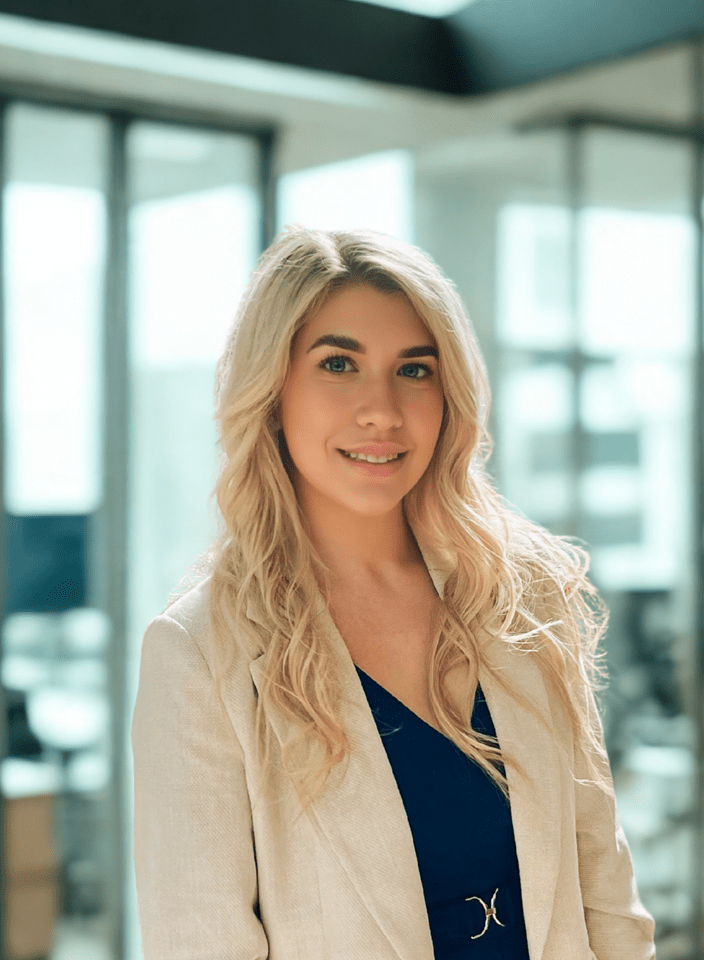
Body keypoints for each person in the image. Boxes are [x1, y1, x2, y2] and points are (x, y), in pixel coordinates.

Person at [131, 226, 656, 960]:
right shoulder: (199, 654)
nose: (381, 409)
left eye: (415, 370)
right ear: (273, 390)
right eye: (339, 364)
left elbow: (607, 903)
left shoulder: (524, 599)